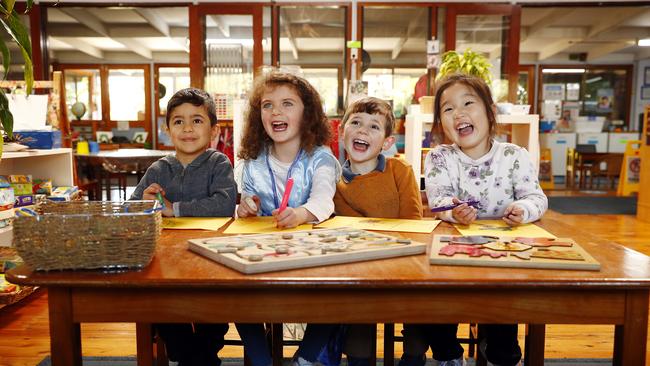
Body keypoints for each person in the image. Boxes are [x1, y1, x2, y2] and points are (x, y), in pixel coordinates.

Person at [401, 74, 548, 366]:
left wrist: (522, 209)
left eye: (468, 103)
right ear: (441, 123)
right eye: (448, 108)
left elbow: (537, 198)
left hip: (503, 257)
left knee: (503, 315)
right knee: (435, 303)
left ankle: (499, 351)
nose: (460, 113)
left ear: (490, 112)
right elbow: (438, 198)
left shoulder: (513, 155)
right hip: (450, 256)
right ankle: (449, 354)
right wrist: (452, 210)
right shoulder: (440, 157)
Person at [236, 70, 342, 366]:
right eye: (267, 105)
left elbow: (323, 200)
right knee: (234, 292)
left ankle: (306, 358)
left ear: (307, 113)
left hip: (311, 256)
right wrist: (245, 207)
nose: (276, 112)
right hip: (262, 256)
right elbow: (244, 201)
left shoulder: (320, 157)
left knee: (339, 293)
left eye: (288, 104)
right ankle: (261, 360)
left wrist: (300, 214)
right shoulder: (252, 160)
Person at [130, 87, 237, 366]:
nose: (188, 128)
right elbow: (130, 210)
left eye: (197, 120)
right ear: (168, 130)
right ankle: (192, 356)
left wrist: (172, 209)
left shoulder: (219, 163)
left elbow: (225, 204)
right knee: (161, 309)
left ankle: (201, 355)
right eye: (179, 121)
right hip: (165, 265)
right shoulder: (158, 169)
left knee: (213, 316)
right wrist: (145, 201)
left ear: (213, 130)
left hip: (211, 261)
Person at [333, 96, 422, 366]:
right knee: (358, 343)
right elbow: (345, 232)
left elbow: (414, 223)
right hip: (360, 272)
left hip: (404, 267)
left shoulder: (400, 170)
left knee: (419, 330)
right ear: (341, 131)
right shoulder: (333, 182)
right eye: (356, 122)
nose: (362, 130)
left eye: (374, 126)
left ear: (386, 142)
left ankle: (413, 357)